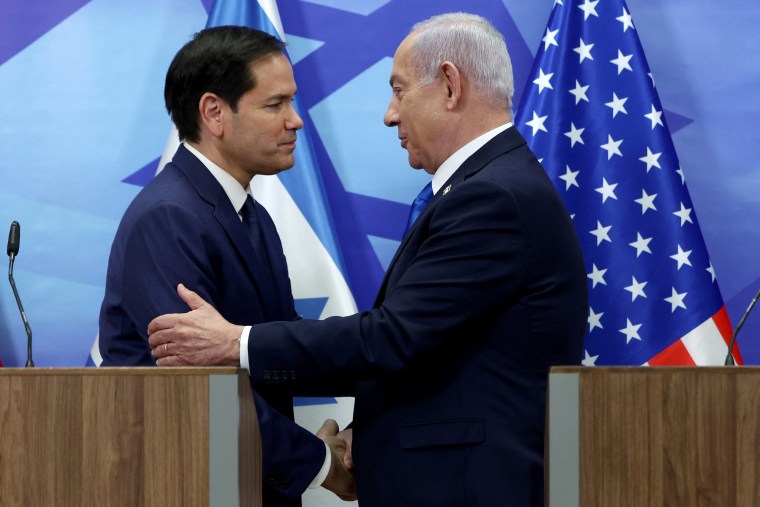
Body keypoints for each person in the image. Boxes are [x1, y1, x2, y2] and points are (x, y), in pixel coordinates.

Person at [147, 13, 588, 506]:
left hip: (466, 487)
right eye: (277, 103)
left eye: (399, 91)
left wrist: (237, 344)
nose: (390, 114)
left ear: (449, 85)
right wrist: (364, 429)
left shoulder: (493, 198)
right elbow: (432, 349)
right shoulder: (489, 187)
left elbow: (394, 337)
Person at [97, 26, 354, 505]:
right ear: (214, 113)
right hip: (191, 482)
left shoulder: (249, 212)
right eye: (275, 105)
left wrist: (382, 368)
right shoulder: (168, 217)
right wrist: (323, 465)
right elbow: (200, 393)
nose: (296, 121)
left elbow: (271, 341)